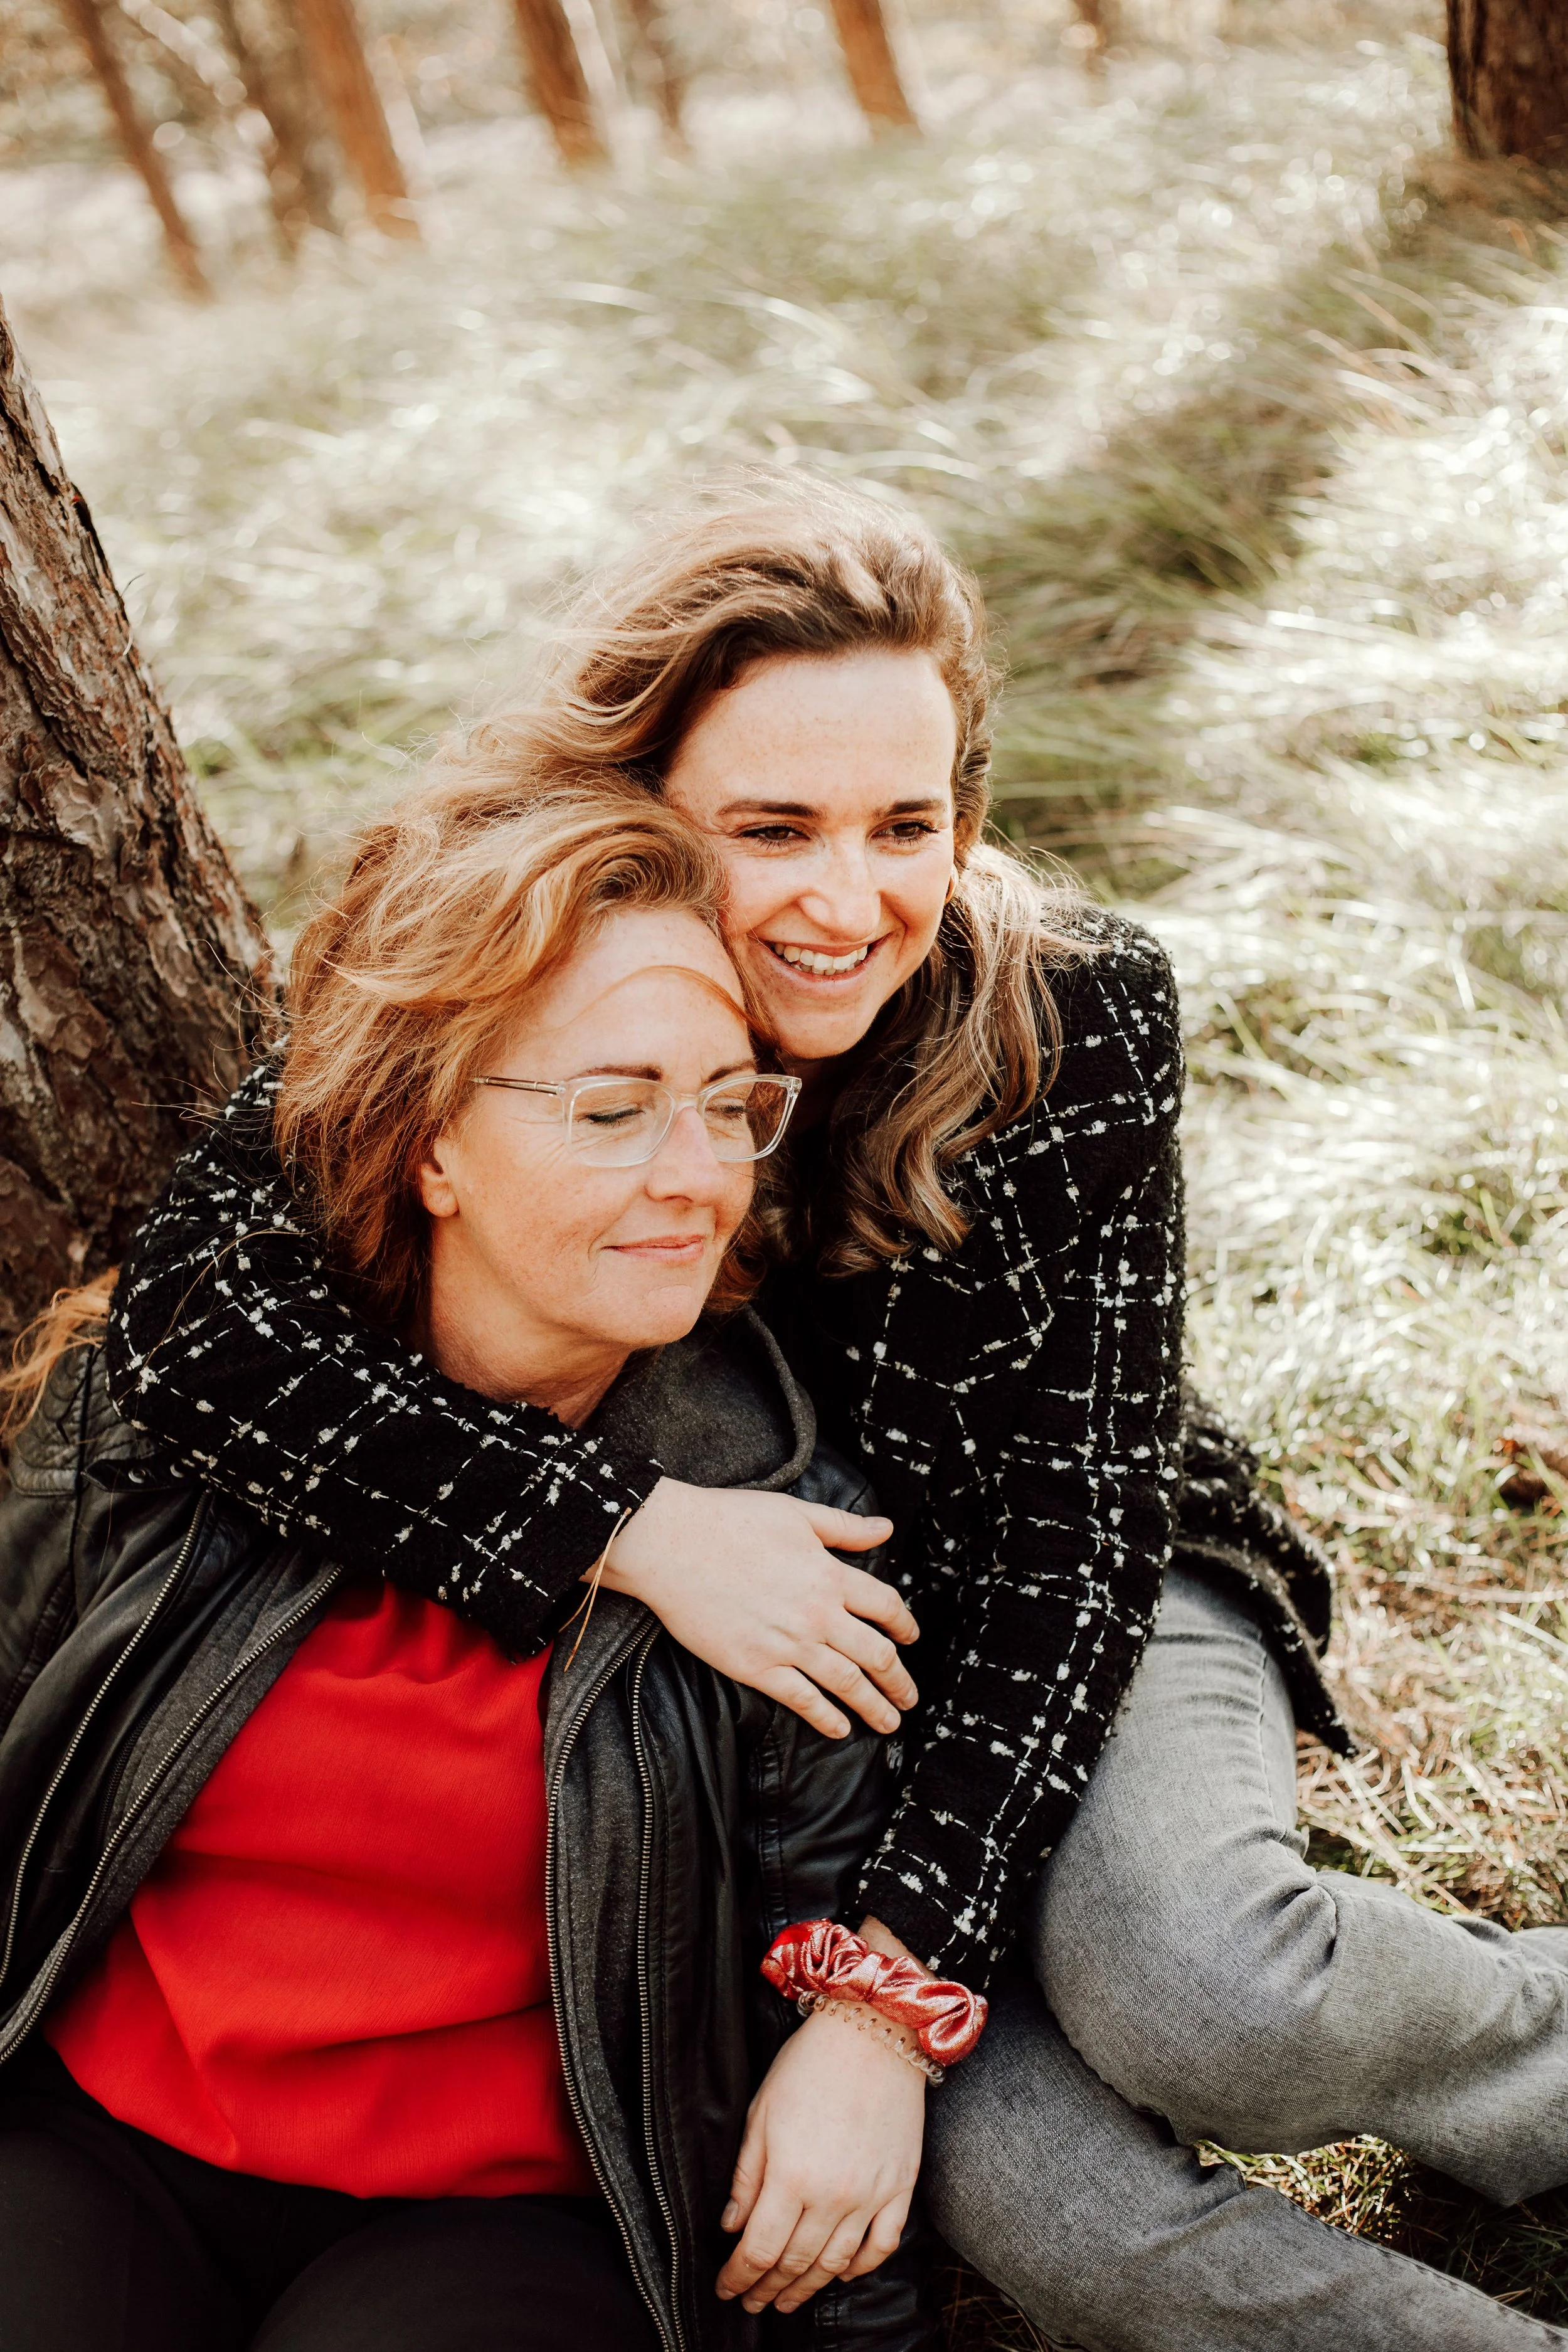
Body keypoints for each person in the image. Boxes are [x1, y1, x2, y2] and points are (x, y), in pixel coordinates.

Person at [103, 487, 1568, 2348]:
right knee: (1040, 2199)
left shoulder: (1071, 1013)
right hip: (777, 1680)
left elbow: (1073, 1534)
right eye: (770, 828)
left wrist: (884, 2001)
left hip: (1084, 1596)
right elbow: (196, 1321)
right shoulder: (526, 957)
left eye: (907, 822)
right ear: (641, 805)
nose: (848, 897)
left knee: (1202, 1987)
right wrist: (626, 1528)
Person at [0, 785, 958, 2352]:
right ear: (431, 1143)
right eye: (610, 1108)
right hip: (106, 2147)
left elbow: (825, 2034)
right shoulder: (174, 1414)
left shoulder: (786, 1525)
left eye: (728, 1105)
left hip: (503, 2229)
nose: (692, 1175)